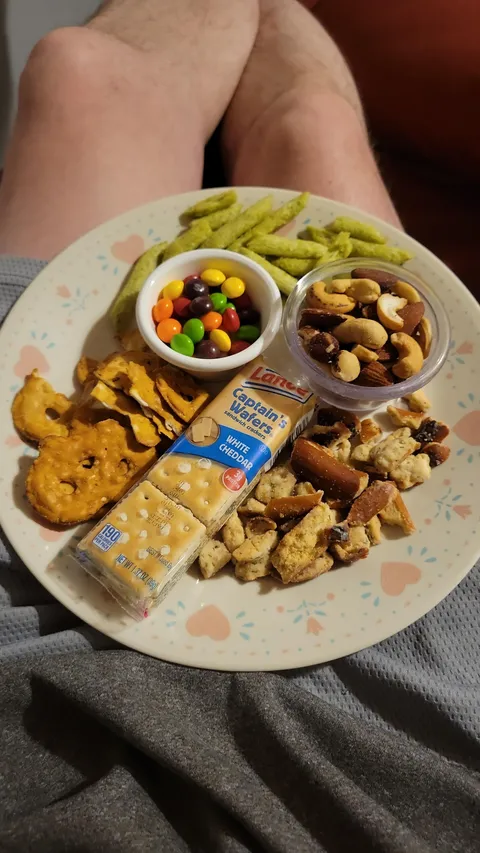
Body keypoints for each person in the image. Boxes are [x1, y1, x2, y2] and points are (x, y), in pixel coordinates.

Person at [0, 2, 478, 851]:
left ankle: (259, 84)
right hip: (417, 720)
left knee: (80, 77)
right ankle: (294, 104)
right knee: (316, 126)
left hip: (23, 660)